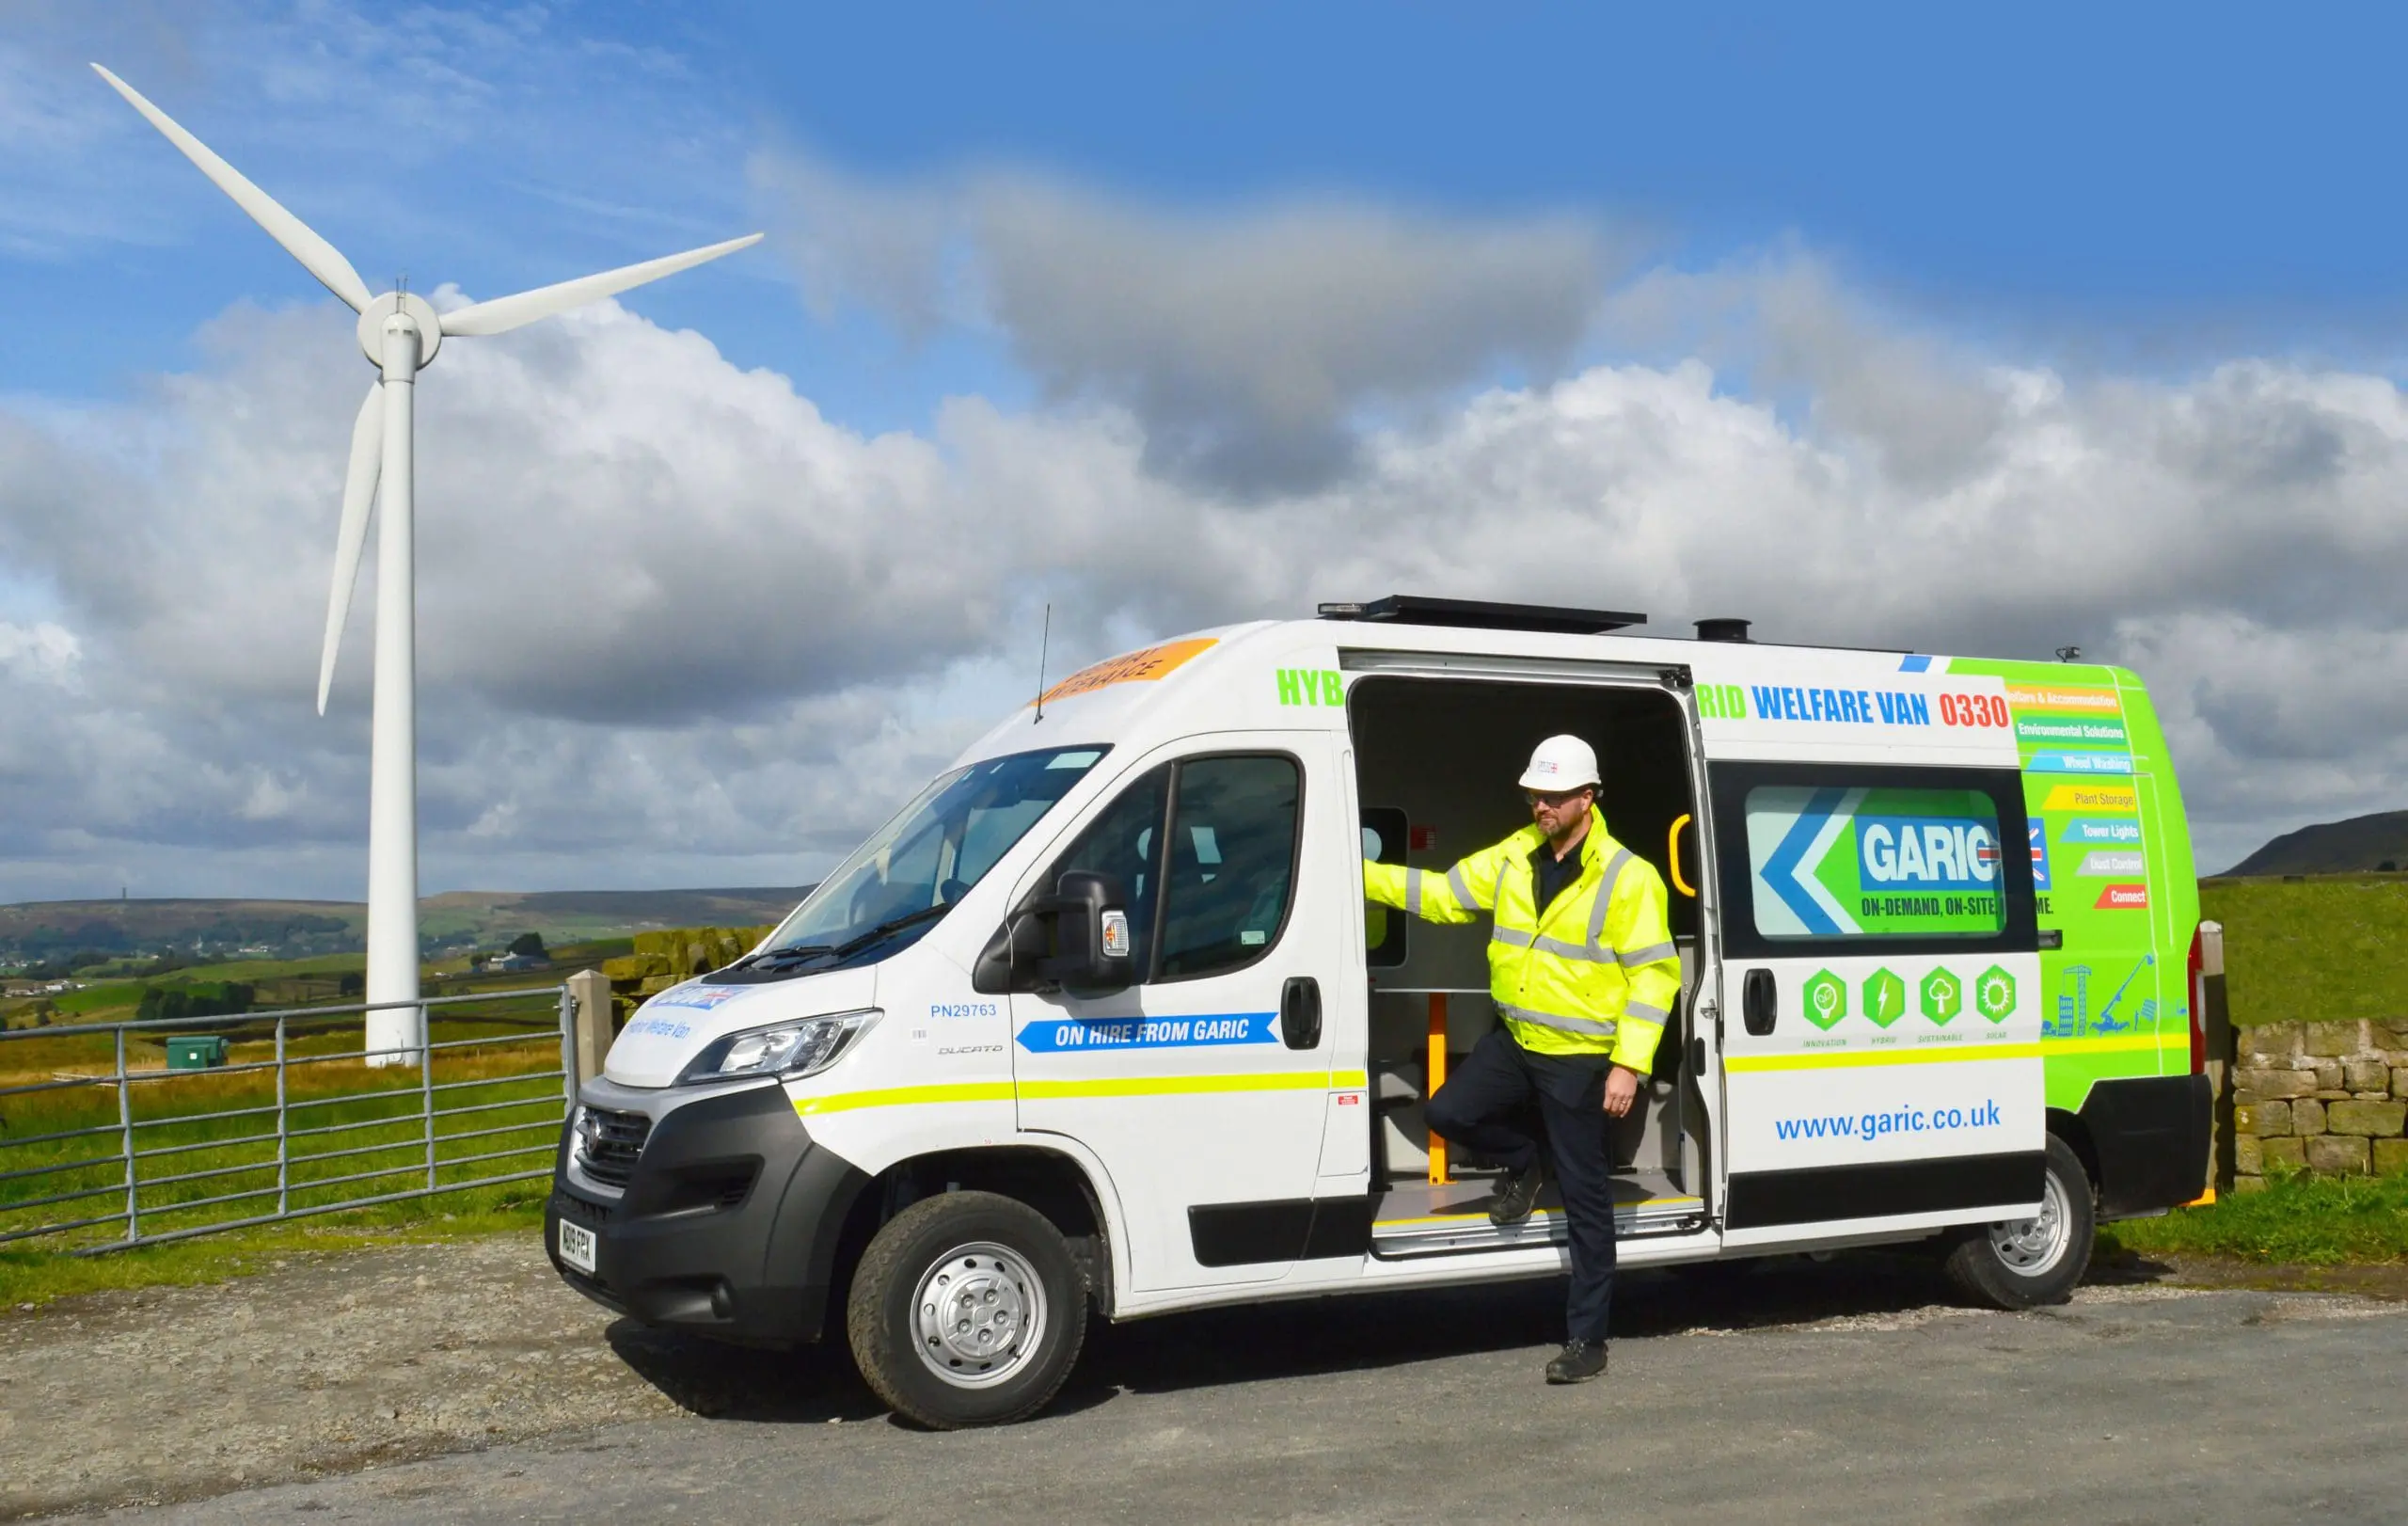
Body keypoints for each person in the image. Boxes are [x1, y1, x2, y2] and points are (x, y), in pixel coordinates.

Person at [1363, 734, 1680, 1386]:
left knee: (1588, 1203)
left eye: (1555, 796)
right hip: (1515, 1041)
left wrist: (1629, 1065)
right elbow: (1445, 894)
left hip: (1580, 1059)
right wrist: (1353, 871)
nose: (1541, 805)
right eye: (1536, 794)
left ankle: (1587, 1339)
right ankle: (1526, 1159)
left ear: (1588, 799)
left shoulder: (1630, 877)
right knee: (1448, 1110)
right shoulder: (1514, 856)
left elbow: (1655, 978)